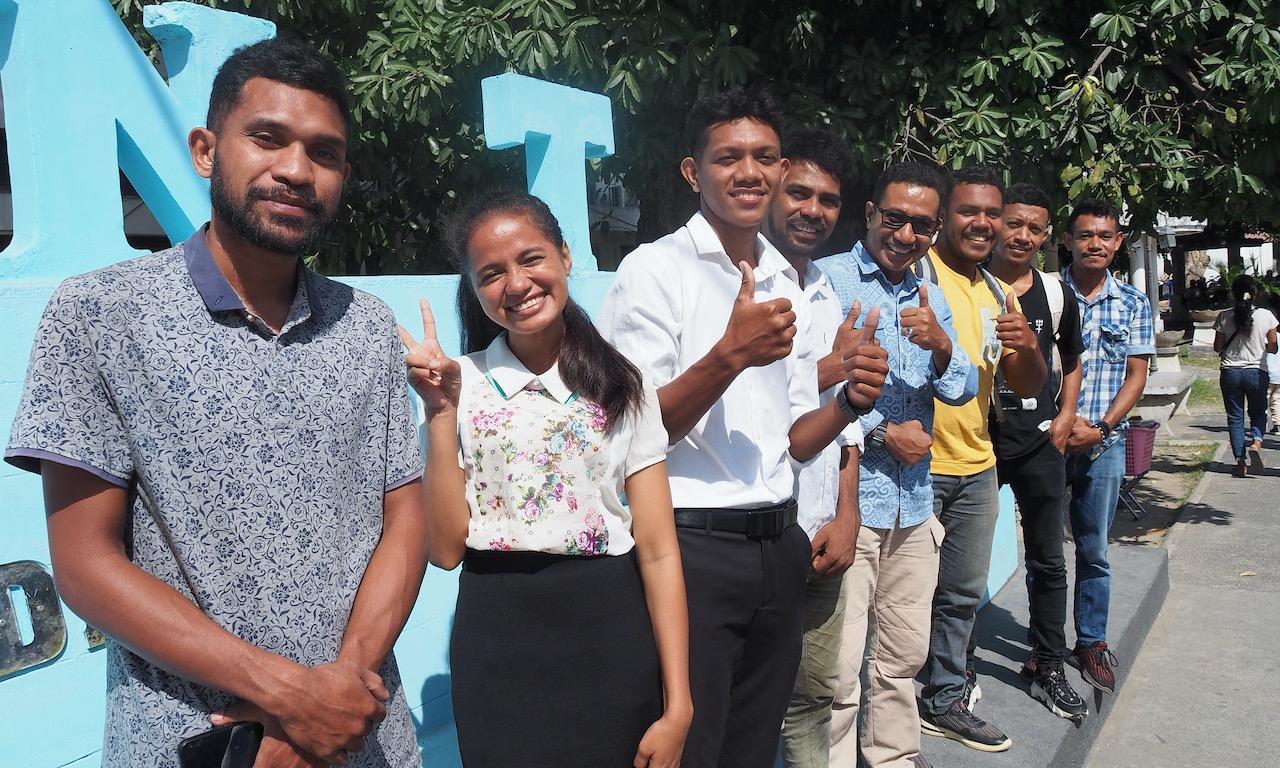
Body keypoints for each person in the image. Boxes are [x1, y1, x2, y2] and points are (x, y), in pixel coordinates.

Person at [5, 39, 427, 767]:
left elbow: (405, 518)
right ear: (206, 149)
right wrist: (293, 700)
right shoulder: (101, 314)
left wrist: (336, 698)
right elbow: (85, 565)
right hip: (192, 741)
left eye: (323, 153)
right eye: (268, 138)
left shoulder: (366, 329)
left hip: (365, 735)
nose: (296, 169)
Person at [597, 87, 889, 768]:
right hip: (691, 550)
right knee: (690, 746)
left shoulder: (782, 281)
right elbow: (631, 432)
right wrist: (729, 356)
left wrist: (847, 407)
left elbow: (792, 438)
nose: (749, 172)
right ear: (694, 173)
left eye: (764, 157)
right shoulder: (654, 272)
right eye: (728, 157)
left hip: (776, 546)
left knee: (753, 747)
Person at [398, 191, 691, 767]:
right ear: (474, 289)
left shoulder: (623, 386)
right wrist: (439, 415)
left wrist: (678, 703)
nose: (516, 283)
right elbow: (445, 550)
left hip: (608, 632)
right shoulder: (461, 385)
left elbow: (658, 551)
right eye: (491, 273)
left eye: (531, 259)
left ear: (564, 255)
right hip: (497, 640)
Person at [816, 160, 976, 768]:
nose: (907, 235)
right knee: (838, 666)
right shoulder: (827, 282)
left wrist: (941, 348)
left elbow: (961, 389)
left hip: (914, 504)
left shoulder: (928, 292)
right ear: (869, 214)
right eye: (895, 219)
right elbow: (803, 389)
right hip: (849, 502)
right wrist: (882, 431)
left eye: (923, 226)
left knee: (902, 658)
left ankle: (893, 759)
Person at [914, 167, 1045, 754]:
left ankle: (942, 697)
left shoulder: (996, 291)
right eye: (970, 211)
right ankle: (885, 704)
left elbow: (1027, 384)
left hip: (977, 464)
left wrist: (1029, 346)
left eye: (993, 213)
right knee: (898, 595)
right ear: (944, 217)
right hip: (912, 464)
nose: (984, 224)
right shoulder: (916, 273)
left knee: (962, 593)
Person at [763, 127, 865, 768]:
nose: (813, 211)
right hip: (756, 535)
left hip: (822, 534)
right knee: (740, 699)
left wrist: (848, 513)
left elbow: (846, 422)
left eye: (827, 200)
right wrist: (827, 369)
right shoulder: (740, 285)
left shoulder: (827, 289)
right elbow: (732, 409)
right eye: (798, 192)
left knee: (812, 700)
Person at [986, 183, 1088, 721]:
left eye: (1035, 228)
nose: (1023, 235)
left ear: (1047, 236)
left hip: (1038, 440)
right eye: (1014, 223)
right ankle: (943, 672)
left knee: (1049, 561)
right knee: (952, 562)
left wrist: (1067, 415)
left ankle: (1047, 664)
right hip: (976, 445)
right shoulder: (965, 281)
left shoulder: (1054, 292)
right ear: (994, 223)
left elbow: (1071, 360)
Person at [1060, 198, 1155, 695]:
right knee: (1045, 553)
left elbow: (1135, 378)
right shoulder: (1046, 295)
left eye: (1105, 236)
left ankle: (1091, 641)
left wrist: (1099, 427)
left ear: (1118, 243)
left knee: (1094, 549)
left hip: (1104, 445)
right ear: (1067, 240)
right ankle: (1046, 644)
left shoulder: (1134, 304)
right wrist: (1062, 424)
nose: (1094, 244)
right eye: (1085, 235)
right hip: (1049, 443)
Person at [1214, 274, 1278, 476]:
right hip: (1256, 372)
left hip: (1230, 372)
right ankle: (1257, 443)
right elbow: (1273, 347)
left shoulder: (1224, 316)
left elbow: (1217, 347)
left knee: (1235, 417)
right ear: (1255, 292)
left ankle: (1240, 461)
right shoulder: (1266, 315)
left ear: (1233, 293)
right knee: (1258, 413)